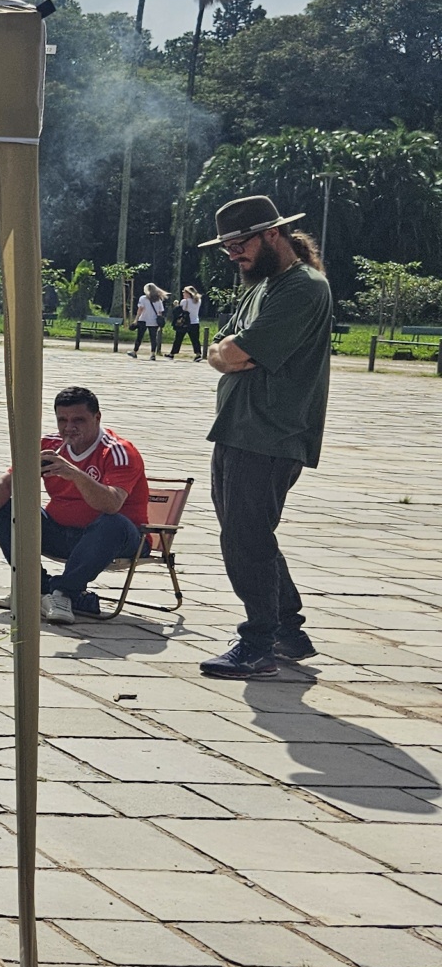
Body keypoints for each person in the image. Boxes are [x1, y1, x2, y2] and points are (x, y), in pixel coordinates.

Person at [194, 196, 334, 680]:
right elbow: (223, 348)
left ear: (272, 234)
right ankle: (287, 631)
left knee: (244, 538)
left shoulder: (302, 288)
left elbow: (235, 352)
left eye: (239, 244)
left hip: (271, 434)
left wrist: (229, 353)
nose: (233, 254)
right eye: (227, 247)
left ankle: (257, 645)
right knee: (248, 535)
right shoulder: (263, 287)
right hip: (237, 430)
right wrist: (228, 353)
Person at [0, 386, 148, 625]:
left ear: (97, 418)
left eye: (78, 420)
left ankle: (65, 592)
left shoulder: (117, 451)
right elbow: (4, 484)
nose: (69, 427)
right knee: (6, 506)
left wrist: (75, 474)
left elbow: (112, 504)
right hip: (61, 531)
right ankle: (35, 588)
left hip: (117, 539)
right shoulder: (49, 446)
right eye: (62, 420)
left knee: (112, 523)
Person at [128, 282, 167, 358]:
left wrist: (136, 319)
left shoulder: (143, 298)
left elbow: (140, 309)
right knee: (153, 338)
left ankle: (135, 351)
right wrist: (159, 322)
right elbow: (160, 312)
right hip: (154, 321)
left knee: (139, 337)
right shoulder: (158, 300)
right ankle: (153, 354)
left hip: (143, 319)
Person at [168, 285, 206, 359]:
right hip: (195, 322)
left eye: (184, 292)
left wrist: (176, 305)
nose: (183, 294)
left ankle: (172, 353)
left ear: (188, 293)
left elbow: (180, 311)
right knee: (195, 339)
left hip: (185, 323)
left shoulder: (184, 301)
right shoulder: (198, 301)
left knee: (178, 338)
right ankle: (198, 354)